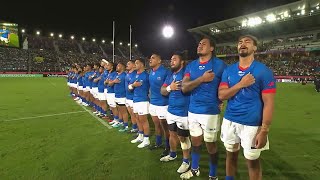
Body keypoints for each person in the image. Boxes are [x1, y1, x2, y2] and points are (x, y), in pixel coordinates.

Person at [218, 35, 276, 180]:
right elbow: (222, 95)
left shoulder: (264, 71)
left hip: (252, 125)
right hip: (229, 120)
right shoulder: (229, 70)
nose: (242, 44)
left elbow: (269, 103)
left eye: (247, 42)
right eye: (240, 42)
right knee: (230, 155)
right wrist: (241, 84)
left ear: (255, 48)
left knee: (252, 162)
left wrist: (264, 131)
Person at [180, 37, 227, 180]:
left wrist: (221, 99)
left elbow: (227, 85)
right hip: (193, 110)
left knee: (211, 145)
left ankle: (213, 176)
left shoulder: (220, 65)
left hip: (210, 111)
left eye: (204, 44)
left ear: (212, 48)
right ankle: (195, 169)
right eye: (199, 43)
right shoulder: (191, 65)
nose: (200, 46)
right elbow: (184, 88)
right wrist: (201, 79)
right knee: (195, 142)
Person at [160, 51, 191, 174]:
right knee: (172, 134)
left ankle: (186, 161)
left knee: (183, 137)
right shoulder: (170, 76)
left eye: (174, 59)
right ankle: (173, 154)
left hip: (183, 112)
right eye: (171, 59)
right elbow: (162, 90)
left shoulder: (187, 74)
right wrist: (169, 88)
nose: (171, 61)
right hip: (171, 111)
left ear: (182, 61)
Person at [148, 53, 171, 157]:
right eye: (150, 58)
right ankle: (158, 143)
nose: (150, 59)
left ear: (159, 61)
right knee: (156, 124)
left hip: (163, 103)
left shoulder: (165, 72)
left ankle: (168, 146)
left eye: (153, 58)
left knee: (165, 127)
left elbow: (167, 89)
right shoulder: (150, 72)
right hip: (152, 102)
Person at [129, 58, 151, 148]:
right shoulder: (135, 75)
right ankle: (141, 136)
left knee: (143, 120)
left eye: (137, 63)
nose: (135, 65)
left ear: (142, 64)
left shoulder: (146, 75)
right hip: (135, 99)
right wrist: (133, 85)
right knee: (137, 118)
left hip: (143, 100)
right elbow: (129, 87)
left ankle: (146, 139)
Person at [112, 62, 129, 132]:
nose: (117, 67)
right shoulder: (117, 75)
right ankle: (121, 122)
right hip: (117, 95)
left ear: (122, 67)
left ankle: (126, 126)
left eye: (118, 66)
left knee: (124, 111)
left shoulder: (124, 75)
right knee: (119, 110)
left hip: (122, 96)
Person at [125, 60, 138, 133]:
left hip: (132, 98)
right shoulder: (127, 74)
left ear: (133, 66)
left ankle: (138, 129)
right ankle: (134, 127)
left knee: (135, 115)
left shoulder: (135, 74)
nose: (127, 65)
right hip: (127, 97)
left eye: (129, 64)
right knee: (131, 114)